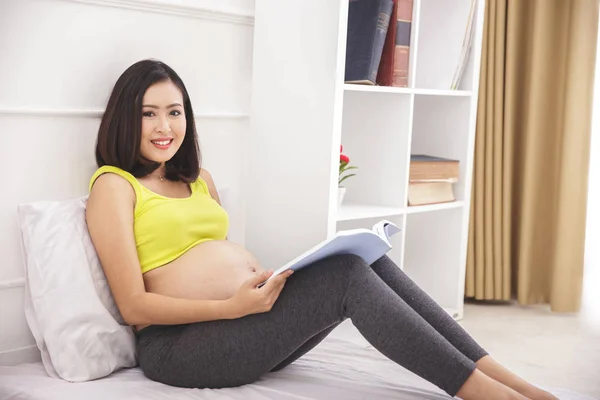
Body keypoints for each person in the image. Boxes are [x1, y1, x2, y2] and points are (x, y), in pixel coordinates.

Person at [85, 59, 557, 400]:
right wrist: (229, 306)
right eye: (149, 113)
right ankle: (485, 394)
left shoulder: (199, 180)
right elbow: (133, 306)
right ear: (127, 118)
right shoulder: (114, 186)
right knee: (344, 276)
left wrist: (256, 290)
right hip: (179, 349)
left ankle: (503, 377)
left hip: (240, 322)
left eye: (175, 111)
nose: (165, 125)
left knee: (361, 258)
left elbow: (215, 257)